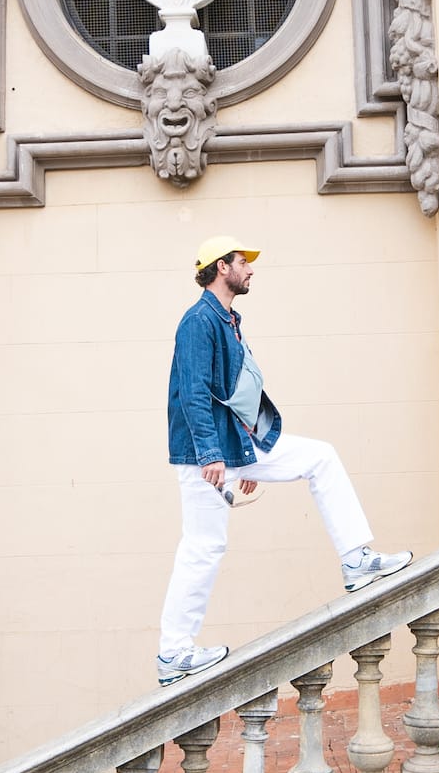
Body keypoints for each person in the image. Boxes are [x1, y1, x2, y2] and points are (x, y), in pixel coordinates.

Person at [156, 236, 414, 685]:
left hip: (235, 444)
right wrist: (214, 455)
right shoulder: (199, 320)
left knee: (320, 457)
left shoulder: (228, 319)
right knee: (203, 546)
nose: (251, 269)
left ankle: (356, 560)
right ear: (222, 267)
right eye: (243, 262)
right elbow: (193, 391)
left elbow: (236, 392)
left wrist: (248, 452)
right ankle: (174, 653)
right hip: (206, 452)